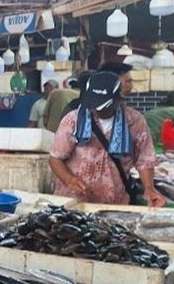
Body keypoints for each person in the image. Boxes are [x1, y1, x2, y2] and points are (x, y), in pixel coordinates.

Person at [48, 71, 166, 207]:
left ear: (119, 99)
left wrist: (149, 189)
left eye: (104, 106)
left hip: (114, 202)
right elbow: (55, 158)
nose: (97, 111)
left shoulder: (135, 121)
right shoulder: (73, 120)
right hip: (73, 201)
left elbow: (145, 161)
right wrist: (70, 180)